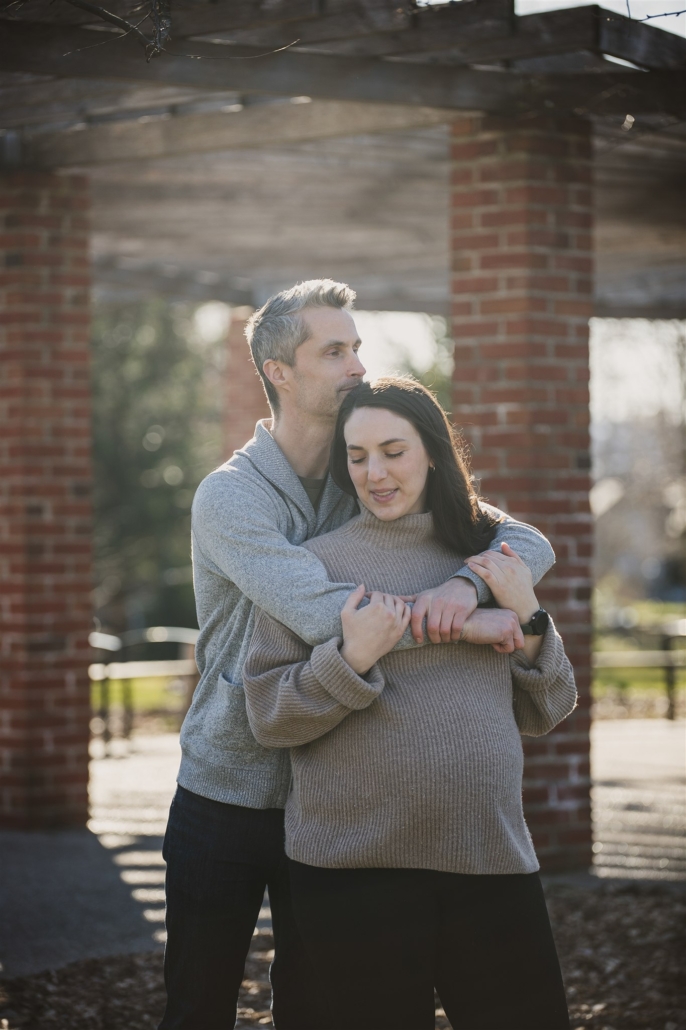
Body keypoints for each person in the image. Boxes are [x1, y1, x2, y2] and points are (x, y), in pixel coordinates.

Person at [159, 280, 557, 1029]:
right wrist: (469, 626)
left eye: (357, 347)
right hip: (230, 790)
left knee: (314, 1012)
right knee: (197, 1009)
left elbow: (526, 541)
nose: (357, 365)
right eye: (334, 350)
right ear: (279, 372)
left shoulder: (364, 475)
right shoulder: (231, 497)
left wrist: (467, 584)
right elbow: (324, 614)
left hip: (337, 799)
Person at [243, 376, 576, 1030]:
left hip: (489, 857)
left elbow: (548, 709)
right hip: (351, 874)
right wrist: (351, 660)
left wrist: (528, 615)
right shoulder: (311, 569)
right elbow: (271, 718)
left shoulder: (487, 563)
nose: (375, 473)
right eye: (357, 456)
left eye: (393, 452)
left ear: (433, 452)